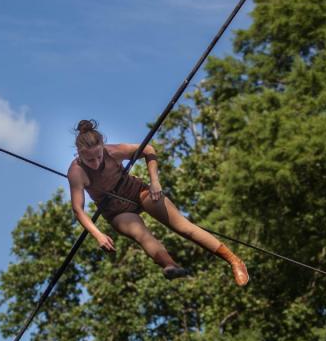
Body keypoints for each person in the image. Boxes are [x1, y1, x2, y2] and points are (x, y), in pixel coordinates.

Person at [67, 119, 249, 285]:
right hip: (117, 210)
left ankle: (234, 261)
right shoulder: (76, 173)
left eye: (99, 156)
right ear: (79, 154)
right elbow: (78, 209)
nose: (96, 162)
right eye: (90, 159)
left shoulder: (113, 151)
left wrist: (155, 182)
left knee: (183, 227)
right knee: (141, 234)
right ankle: (170, 266)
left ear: (102, 147)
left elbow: (148, 150)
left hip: (138, 192)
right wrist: (97, 234)